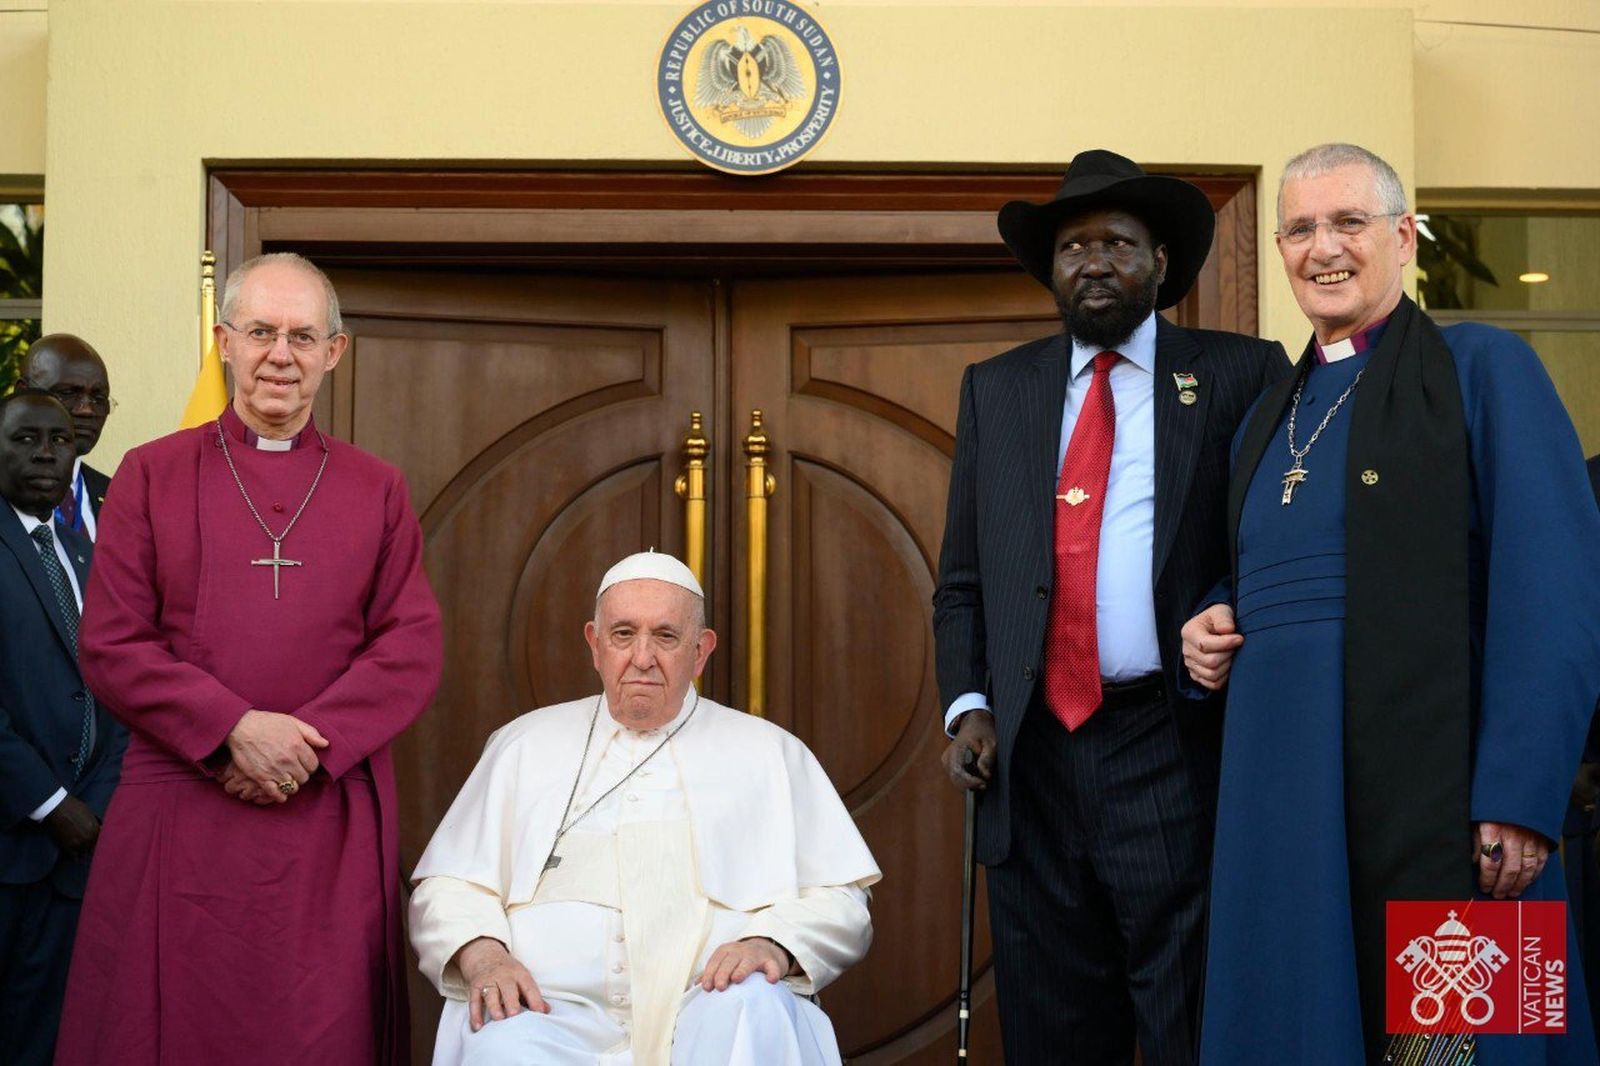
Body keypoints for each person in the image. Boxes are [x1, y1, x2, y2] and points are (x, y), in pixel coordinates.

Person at [1183, 142, 1600, 1063]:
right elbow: (1277, 563)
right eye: (1299, 228)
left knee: (1463, 1038)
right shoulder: (1266, 414)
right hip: (1282, 798)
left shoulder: (1484, 368)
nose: (1321, 247)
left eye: (1348, 223)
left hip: (1444, 801)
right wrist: (1212, 618)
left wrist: (1522, 796)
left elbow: (1555, 590)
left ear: (1403, 238)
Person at [933, 149, 1286, 1065]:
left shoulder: (1243, 374)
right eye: (1074, 247)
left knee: (1183, 1012)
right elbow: (965, 580)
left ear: (1161, 263)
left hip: (1169, 738)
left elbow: (1278, 548)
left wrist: (1221, 613)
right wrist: (968, 706)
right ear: (1050, 269)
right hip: (1031, 756)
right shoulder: (998, 388)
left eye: (1118, 243)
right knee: (1052, 1020)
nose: (1094, 262)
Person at [55, 253, 444, 1064]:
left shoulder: (377, 489)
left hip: (325, 811)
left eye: (304, 336)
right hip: (180, 806)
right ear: (224, 343)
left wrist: (301, 745)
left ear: (334, 354)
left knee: (317, 1032)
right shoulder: (150, 476)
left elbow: (410, 646)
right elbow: (113, 642)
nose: (281, 355)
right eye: (261, 332)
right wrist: (232, 729)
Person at [410, 551, 879, 1066]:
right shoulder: (522, 745)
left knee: (755, 1005)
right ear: (595, 643)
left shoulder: (770, 753)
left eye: (666, 636)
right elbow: (448, 885)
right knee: (499, 1035)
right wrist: (484, 957)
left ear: (701, 651)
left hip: (705, 1012)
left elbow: (840, 899)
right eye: (624, 634)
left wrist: (773, 944)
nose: (642, 656)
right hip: (549, 1017)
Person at [0, 390, 125, 1066]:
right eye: (25, 439)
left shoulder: (85, 548)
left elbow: (116, 686)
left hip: (75, 856)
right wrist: (52, 805)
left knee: (44, 1042)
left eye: (58, 440)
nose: (46, 453)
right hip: (16, 838)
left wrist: (95, 804)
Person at [18, 335, 115, 539]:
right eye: (69, 393)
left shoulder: (114, 494)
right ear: (23, 393)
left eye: (98, 398)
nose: (87, 410)